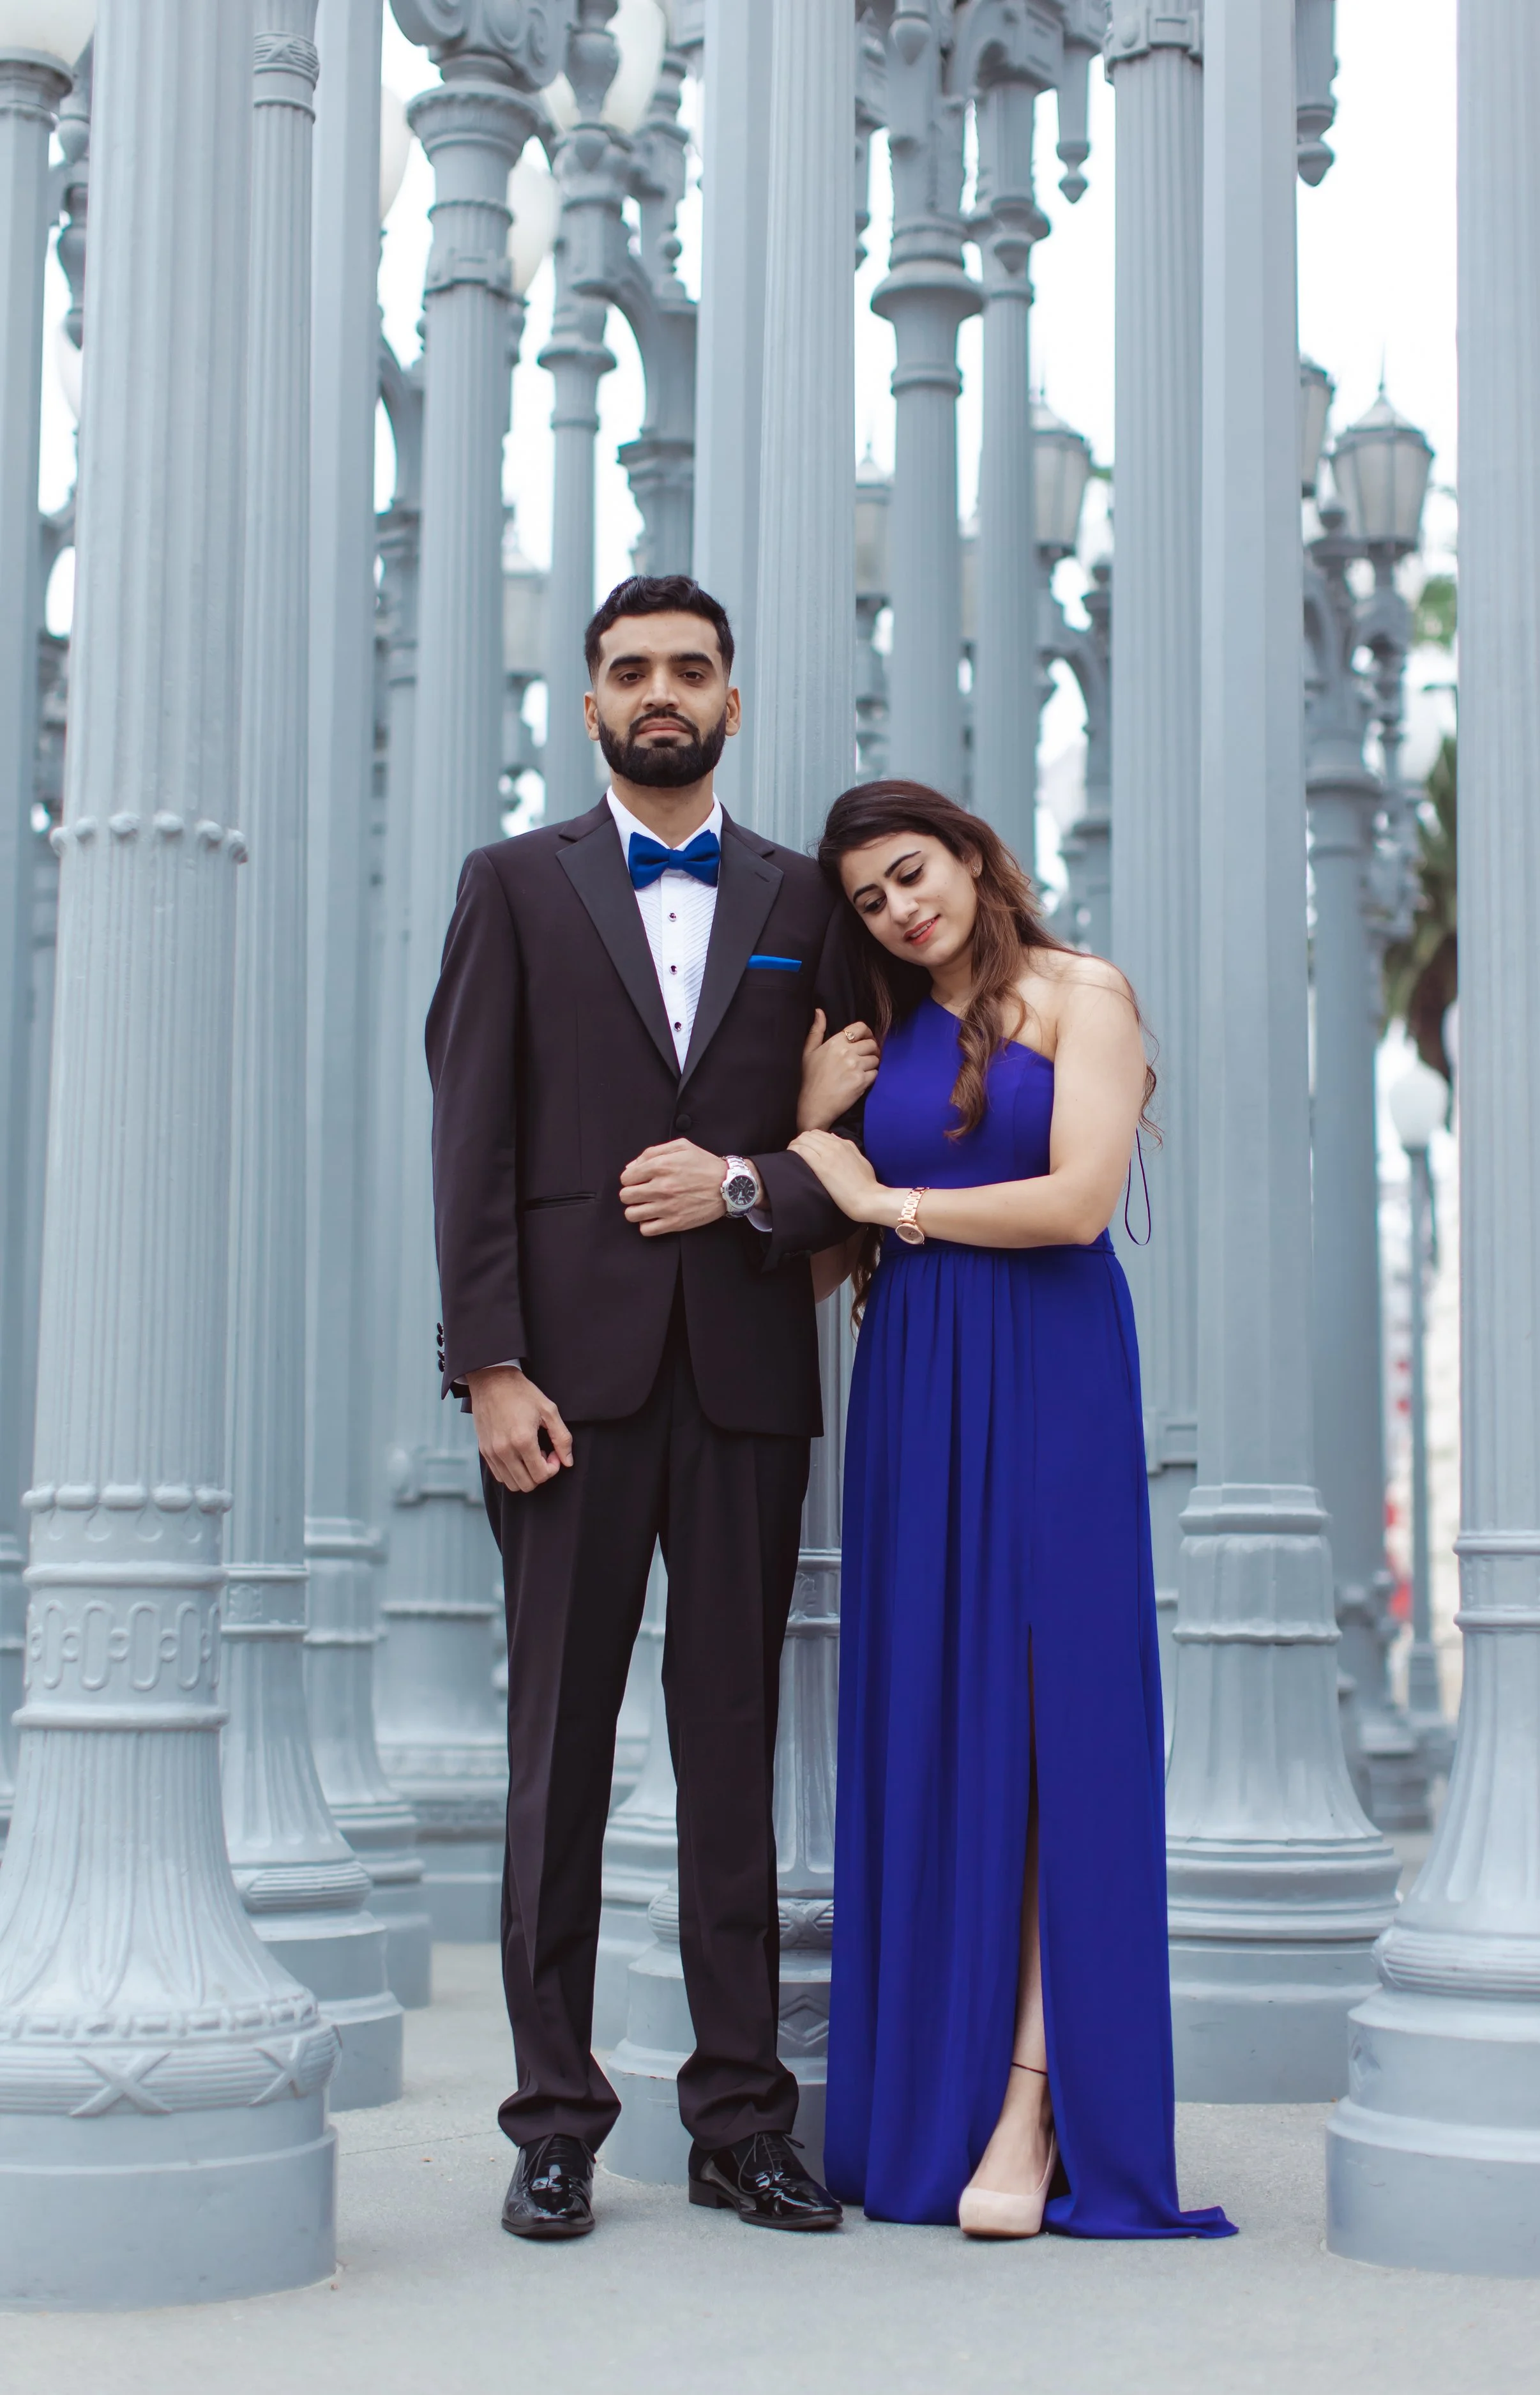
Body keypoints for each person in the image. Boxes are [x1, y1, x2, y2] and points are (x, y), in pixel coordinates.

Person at [427, 575, 863, 2240]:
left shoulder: (801, 895)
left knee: (731, 1751)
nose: (659, 690)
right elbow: (470, 1137)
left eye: (689, 668)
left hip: (743, 1376)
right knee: (557, 1755)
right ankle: (553, 2120)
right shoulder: (511, 884)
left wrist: (748, 1179)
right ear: (590, 702)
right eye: (630, 670)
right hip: (562, 1389)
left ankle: (739, 2119)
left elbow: (849, 1142)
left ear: (731, 704)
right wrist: (489, 1367)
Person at [790, 779, 1235, 2243]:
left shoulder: (1078, 992)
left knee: (1057, 1728)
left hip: (1049, 1373)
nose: (899, 910)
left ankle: (1035, 2104)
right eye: (869, 900)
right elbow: (816, 1268)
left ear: (973, 858)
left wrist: (885, 1204)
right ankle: (940, 2092)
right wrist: (809, 1134)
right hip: (915, 1387)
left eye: (912, 873)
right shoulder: (880, 1037)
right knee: (941, 1721)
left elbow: (1074, 1203)